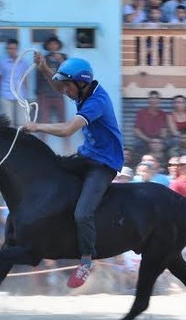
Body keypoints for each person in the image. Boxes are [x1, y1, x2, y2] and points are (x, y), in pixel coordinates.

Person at [23, 57, 124, 288]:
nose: (64, 91)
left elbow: (68, 129)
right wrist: (44, 68)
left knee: (82, 213)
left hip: (105, 163)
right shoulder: (80, 89)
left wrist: (36, 127)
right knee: (51, 169)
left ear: (81, 83)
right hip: (87, 154)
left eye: (68, 86)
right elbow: (59, 85)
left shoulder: (97, 101)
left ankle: (87, 260)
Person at [0, 38, 30, 128]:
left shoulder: (24, 63)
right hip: (6, 94)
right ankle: (9, 141)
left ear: (17, 49)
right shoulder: (2, 62)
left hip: (20, 95)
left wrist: (26, 96)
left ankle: (19, 141)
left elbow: (25, 79)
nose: (12, 51)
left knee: (22, 122)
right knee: (8, 122)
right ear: (7, 49)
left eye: (14, 48)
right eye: (10, 48)